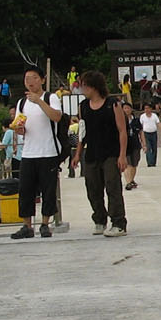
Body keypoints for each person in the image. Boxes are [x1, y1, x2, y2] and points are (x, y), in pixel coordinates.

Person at [10, 68, 63, 239]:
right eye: (27, 79)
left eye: (34, 78)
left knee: (48, 190)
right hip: (28, 152)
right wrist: (19, 129)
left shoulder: (51, 97)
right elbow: (20, 128)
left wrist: (39, 101)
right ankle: (27, 225)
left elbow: (56, 117)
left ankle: (45, 223)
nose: (30, 82)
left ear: (42, 79)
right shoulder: (21, 103)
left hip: (48, 151)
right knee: (25, 190)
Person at [76, 72, 129, 237]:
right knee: (92, 188)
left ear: (94, 87)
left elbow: (122, 131)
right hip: (91, 153)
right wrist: (77, 154)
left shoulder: (112, 104)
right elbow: (82, 132)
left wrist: (122, 155)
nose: (82, 89)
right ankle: (99, 219)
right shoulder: (83, 106)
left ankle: (119, 223)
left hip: (111, 153)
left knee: (113, 187)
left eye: (84, 85)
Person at [122, 99, 143, 191]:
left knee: (134, 164)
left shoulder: (136, 121)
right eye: (124, 108)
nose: (126, 110)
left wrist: (144, 143)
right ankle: (128, 182)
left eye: (127, 108)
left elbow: (141, 132)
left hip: (135, 144)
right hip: (125, 145)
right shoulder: (120, 121)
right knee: (127, 164)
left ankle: (131, 180)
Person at [138, 104, 161, 168]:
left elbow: (158, 123)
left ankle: (153, 162)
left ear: (151, 109)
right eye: (145, 108)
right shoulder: (142, 116)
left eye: (148, 108)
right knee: (148, 148)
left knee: (154, 148)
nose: (147, 110)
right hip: (146, 133)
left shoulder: (154, 116)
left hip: (153, 133)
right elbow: (140, 126)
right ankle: (149, 162)